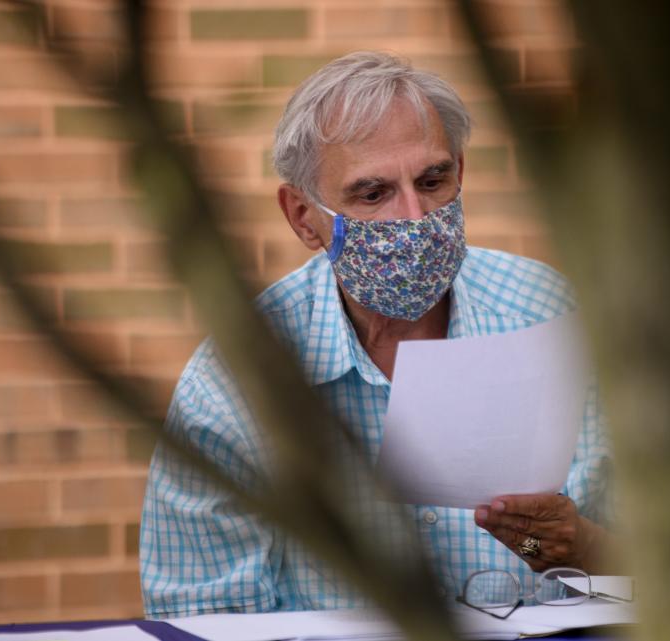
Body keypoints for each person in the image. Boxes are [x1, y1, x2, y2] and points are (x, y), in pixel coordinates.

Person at [140, 51, 613, 617]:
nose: (413, 216)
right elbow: (205, 619)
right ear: (302, 218)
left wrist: (574, 546)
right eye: (373, 194)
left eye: (432, 180)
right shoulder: (238, 381)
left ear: (460, 173)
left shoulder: (550, 317)